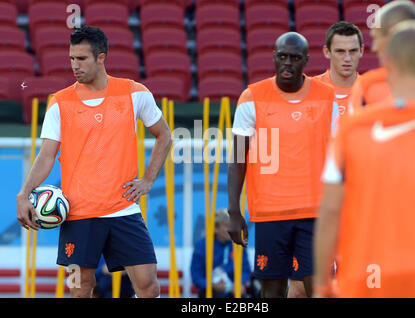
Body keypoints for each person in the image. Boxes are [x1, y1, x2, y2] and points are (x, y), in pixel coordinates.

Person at [16, 26, 172, 298]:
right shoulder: (60, 102)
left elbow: (164, 136)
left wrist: (148, 180)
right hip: (78, 214)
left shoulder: (134, 93)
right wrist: (23, 193)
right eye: (72, 58)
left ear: (101, 57)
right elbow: (46, 156)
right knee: (79, 290)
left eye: (82, 59)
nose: (75, 65)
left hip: (123, 210)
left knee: (149, 286)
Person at [314, 21, 415, 298]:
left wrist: (322, 284)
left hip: (367, 274)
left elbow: (329, 211)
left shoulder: (352, 130)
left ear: (386, 62)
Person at [228, 32, 336, 298]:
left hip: (315, 213)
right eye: (282, 57)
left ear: (306, 61)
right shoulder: (252, 97)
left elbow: (341, 155)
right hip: (269, 214)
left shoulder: (327, 97)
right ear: (274, 57)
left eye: (295, 58)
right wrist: (233, 211)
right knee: (272, 290)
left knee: (319, 289)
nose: (288, 63)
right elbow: (238, 159)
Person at [348, 0, 415, 111]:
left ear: (394, 35)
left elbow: (354, 126)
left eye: (376, 37)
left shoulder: (368, 86)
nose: (374, 47)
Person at [190, 209, 252, 298]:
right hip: (210, 291)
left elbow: (245, 269)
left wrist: (238, 283)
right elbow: (196, 276)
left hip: (233, 290)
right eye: (226, 225)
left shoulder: (238, 245)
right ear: (215, 228)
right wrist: (211, 285)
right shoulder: (202, 246)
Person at [315, 21, 364, 117]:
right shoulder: (311, 89)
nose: (347, 58)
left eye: (353, 51)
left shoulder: (370, 90)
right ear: (327, 52)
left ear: (361, 51)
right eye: (340, 51)